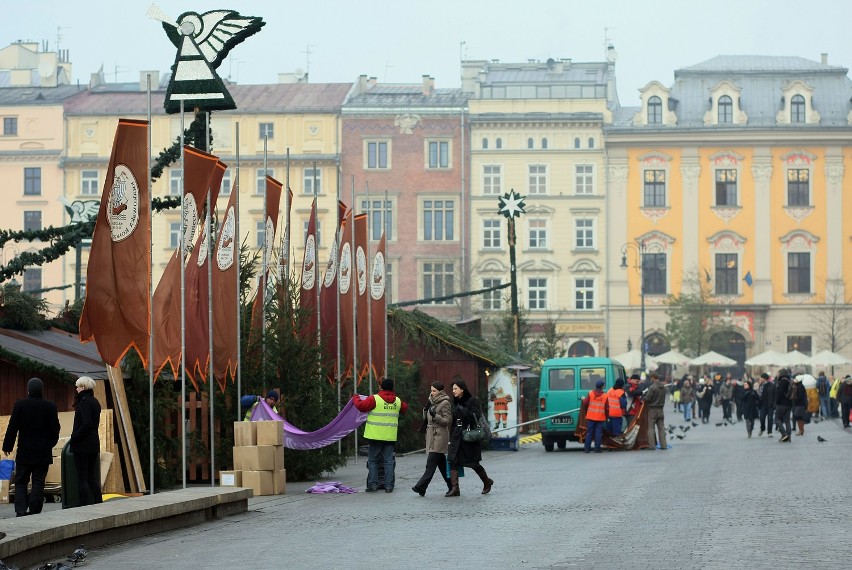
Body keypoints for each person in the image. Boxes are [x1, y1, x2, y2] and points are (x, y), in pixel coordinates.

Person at [2, 377, 60, 517]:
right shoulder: (50, 406)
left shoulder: (20, 405)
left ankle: (21, 510)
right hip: (42, 453)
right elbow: (55, 429)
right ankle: (35, 510)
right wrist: (49, 444)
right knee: (38, 482)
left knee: (21, 481)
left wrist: (7, 446)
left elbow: (13, 427)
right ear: (41, 390)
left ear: (28, 390)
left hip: (25, 452)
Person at [352, 378, 408, 493]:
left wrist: (355, 397)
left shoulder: (375, 399)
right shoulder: (397, 401)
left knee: (373, 461)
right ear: (392, 388)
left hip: (375, 436)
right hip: (390, 437)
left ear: (381, 387)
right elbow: (405, 408)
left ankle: (373, 485)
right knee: (388, 461)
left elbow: (361, 406)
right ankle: (389, 486)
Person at [446, 380, 493, 497]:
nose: (453, 391)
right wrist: (451, 437)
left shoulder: (473, 400)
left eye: (455, 389)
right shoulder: (455, 402)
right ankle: (455, 488)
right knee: (453, 460)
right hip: (457, 436)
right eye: (452, 389)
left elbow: (476, 416)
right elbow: (454, 421)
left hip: (469, 436)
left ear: (462, 389)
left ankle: (487, 482)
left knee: (473, 463)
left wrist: (464, 410)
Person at [411, 381, 452, 496]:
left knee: (431, 463)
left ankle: (421, 486)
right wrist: (426, 410)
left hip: (439, 435)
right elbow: (426, 419)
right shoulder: (431, 402)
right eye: (431, 390)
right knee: (442, 465)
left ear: (440, 391)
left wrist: (436, 415)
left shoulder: (445, 403)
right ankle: (453, 486)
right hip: (431, 435)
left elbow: (447, 421)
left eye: (434, 391)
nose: (432, 393)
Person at [71, 376, 103, 506]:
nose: (76, 389)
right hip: (93, 443)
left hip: (82, 444)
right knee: (91, 476)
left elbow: (86, 423)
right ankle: (97, 500)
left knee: (82, 477)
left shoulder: (83, 402)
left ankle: (83, 505)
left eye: (78, 386)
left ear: (83, 387)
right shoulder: (95, 401)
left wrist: (74, 436)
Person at [643, 373, 668, 450]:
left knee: (651, 428)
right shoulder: (663, 387)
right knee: (661, 428)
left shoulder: (652, 387)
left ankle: (652, 445)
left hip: (653, 409)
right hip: (661, 409)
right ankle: (664, 445)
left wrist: (644, 396)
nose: (650, 380)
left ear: (653, 378)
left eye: (651, 378)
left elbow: (648, 398)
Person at [582, 380, 608, 452]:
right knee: (598, 433)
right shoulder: (605, 395)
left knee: (589, 433)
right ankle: (597, 448)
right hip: (600, 417)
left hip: (591, 417)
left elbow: (585, 403)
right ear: (602, 387)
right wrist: (607, 417)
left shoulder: (590, 393)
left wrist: (583, 399)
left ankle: (587, 449)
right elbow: (607, 408)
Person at [774, 369, 793, 442]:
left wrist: (776, 402)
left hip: (781, 404)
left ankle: (784, 434)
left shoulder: (782, 382)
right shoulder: (789, 381)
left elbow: (779, 394)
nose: (777, 374)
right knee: (787, 420)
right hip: (789, 404)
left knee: (777, 419)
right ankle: (789, 435)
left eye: (778, 373)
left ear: (781, 374)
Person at [757, 373, 775, 437]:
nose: (760, 379)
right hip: (762, 405)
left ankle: (769, 432)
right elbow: (759, 395)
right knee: (762, 418)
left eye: (761, 378)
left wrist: (774, 405)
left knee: (770, 419)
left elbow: (775, 395)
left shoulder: (772, 385)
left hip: (770, 405)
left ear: (764, 378)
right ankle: (762, 428)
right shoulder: (761, 385)